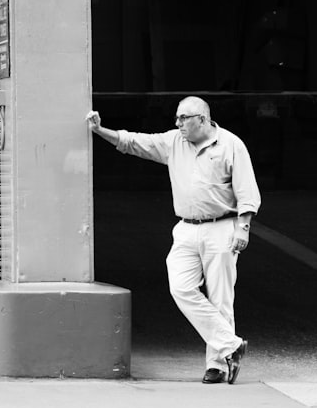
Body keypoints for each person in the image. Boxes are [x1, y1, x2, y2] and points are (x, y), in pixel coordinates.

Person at [86, 96, 261, 385]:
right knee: (180, 287)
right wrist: (100, 131)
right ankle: (231, 344)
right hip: (186, 227)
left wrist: (244, 227)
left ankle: (217, 365)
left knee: (221, 296)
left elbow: (247, 189)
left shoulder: (231, 145)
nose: (177, 123)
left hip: (222, 227)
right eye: (177, 118)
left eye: (183, 118)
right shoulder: (174, 142)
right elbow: (135, 142)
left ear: (202, 119)